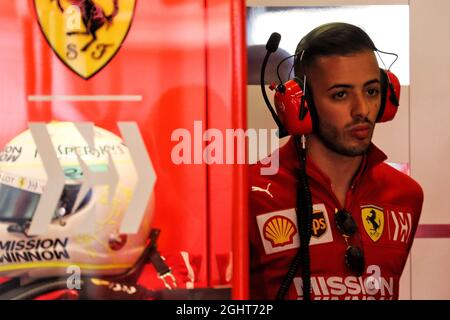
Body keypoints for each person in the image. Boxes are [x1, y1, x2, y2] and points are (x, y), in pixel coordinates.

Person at [249, 22, 423, 300]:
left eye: (371, 91)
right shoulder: (251, 193)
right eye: (340, 94)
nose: (362, 110)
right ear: (300, 104)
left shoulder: (406, 195)